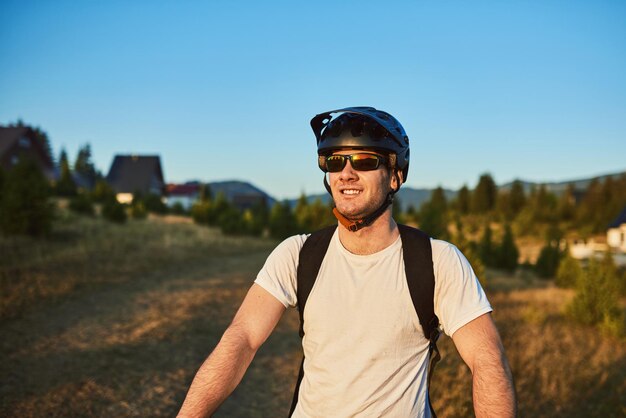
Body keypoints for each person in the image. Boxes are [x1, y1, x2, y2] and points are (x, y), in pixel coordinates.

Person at [177, 107, 516, 418]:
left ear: (395, 176)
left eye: (365, 160)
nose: (347, 173)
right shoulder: (298, 254)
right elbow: (242, 338)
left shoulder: (436, 261)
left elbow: (487, 360)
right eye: (335, 161)